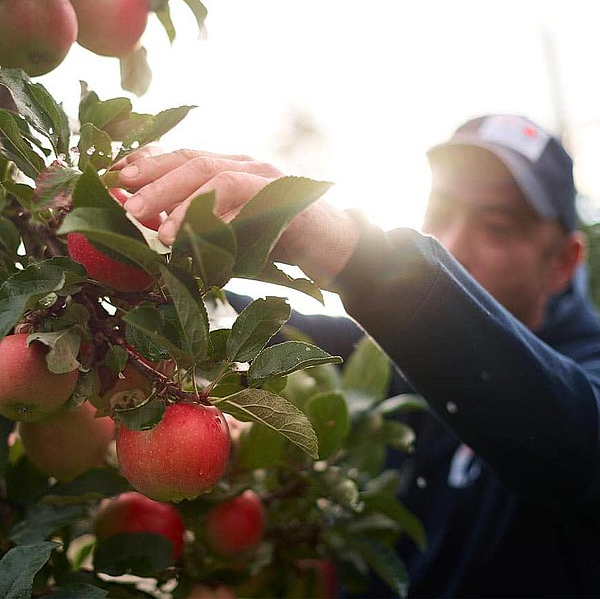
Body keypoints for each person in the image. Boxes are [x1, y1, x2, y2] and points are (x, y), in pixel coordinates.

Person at [115, 114, 600, 598]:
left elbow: (574, 436)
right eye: (440, 213)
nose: (453, 246)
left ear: (560, 264)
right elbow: (274, 333)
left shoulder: (579, 384)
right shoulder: (403, 362)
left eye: (495, 227)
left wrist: (354, 252)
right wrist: (142, 272)